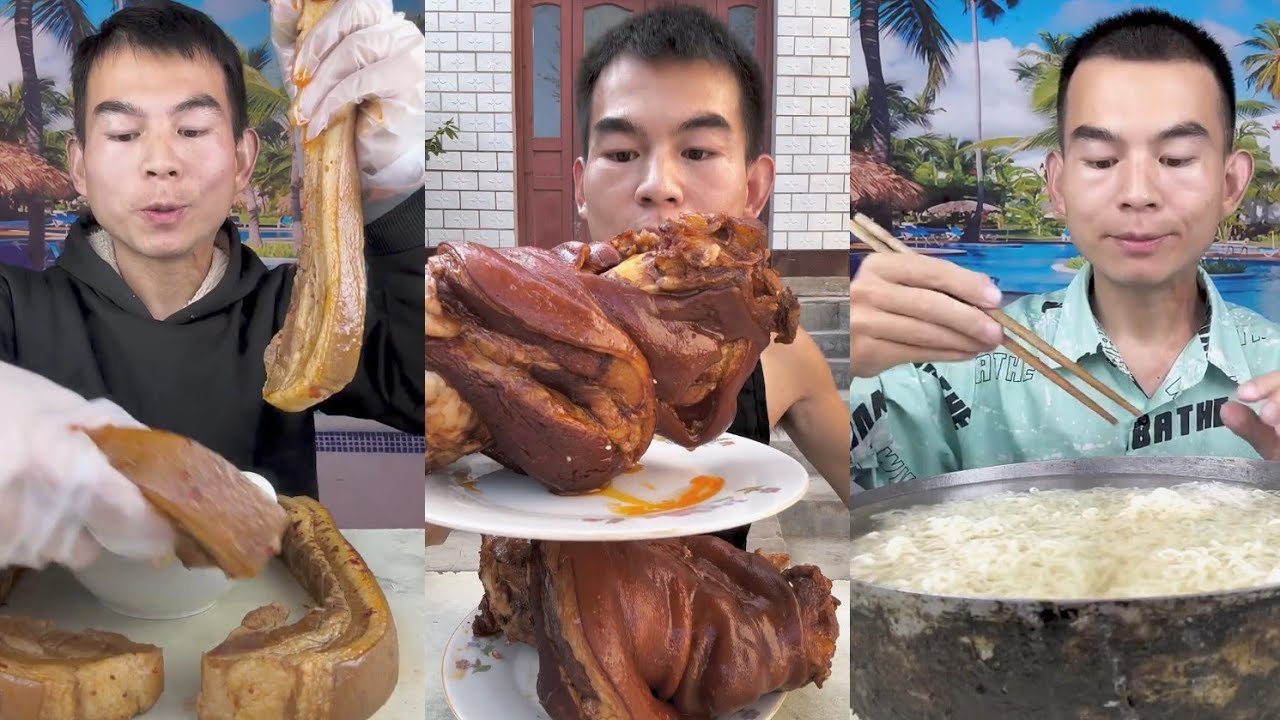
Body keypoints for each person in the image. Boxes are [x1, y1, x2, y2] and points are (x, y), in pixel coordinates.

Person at [0, 0, 424, 565]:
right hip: (51, 619)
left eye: (192, 129)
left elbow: (420, 388)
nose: (161, 162)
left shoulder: (298, 313)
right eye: (123, 133)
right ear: (78, 166)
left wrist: (396, 197)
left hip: (274, 615)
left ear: (244, 159)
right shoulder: (17, 308)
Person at [850, 8, 1280, 489]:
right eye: (1101, 160)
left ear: (1230, 183)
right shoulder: (956, 367)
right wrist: (849, 367)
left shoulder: (1273, 365)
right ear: (1057, 185)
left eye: (1176, 159)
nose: (1138, 193)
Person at [573, 5, 851, 546]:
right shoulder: (507, 348)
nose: (658, 186)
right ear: (581, 188)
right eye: (622, 153)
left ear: (754, 190)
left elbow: (888, 501)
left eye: (698, 151)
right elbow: (432, 527)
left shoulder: (780, 355)